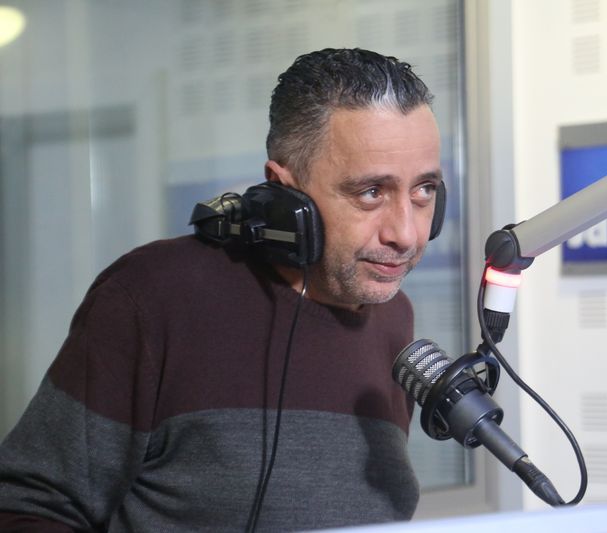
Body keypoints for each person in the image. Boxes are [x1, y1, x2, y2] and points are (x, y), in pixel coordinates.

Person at [0, 48, 444, 532]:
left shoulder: (393, 316)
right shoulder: (153, 297)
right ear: (285, 194)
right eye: (371, 192)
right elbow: (28, 507)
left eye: (423, 190)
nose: (406, 234)